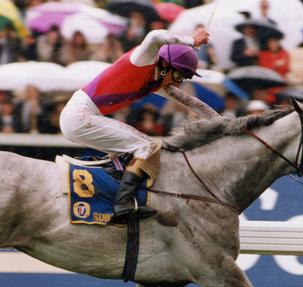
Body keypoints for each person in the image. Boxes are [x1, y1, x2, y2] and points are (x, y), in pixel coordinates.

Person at [59, 28, 210, 224]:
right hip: (79, 115)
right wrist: (192, 41)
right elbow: (155, 36)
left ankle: (113, 193)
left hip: (79, 116)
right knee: (147, 146)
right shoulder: (143, 59)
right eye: (179, 75)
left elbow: (192, 102)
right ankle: (123, 204)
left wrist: (226, 123)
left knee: (136, 150)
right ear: (165, 65)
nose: (179, 82)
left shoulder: (157, 82)